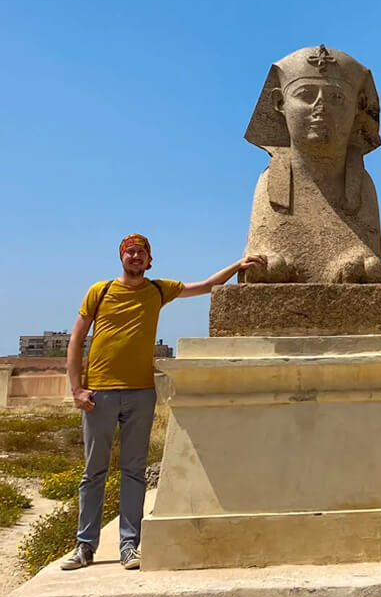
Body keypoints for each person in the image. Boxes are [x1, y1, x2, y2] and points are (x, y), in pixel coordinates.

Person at [60, 234, 264, 571]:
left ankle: (129, 546)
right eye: (130, 252)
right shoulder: (101, 291)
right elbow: (76, 339)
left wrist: (238, 265)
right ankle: (84, 547)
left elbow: (206, 286)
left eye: (141, 252)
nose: (135, 256)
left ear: (149, 260)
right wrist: (77, 389)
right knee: (94, 471)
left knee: (134, 472)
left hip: (141, 392)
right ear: (121, 258)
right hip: (100, 393)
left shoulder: (158, 290)